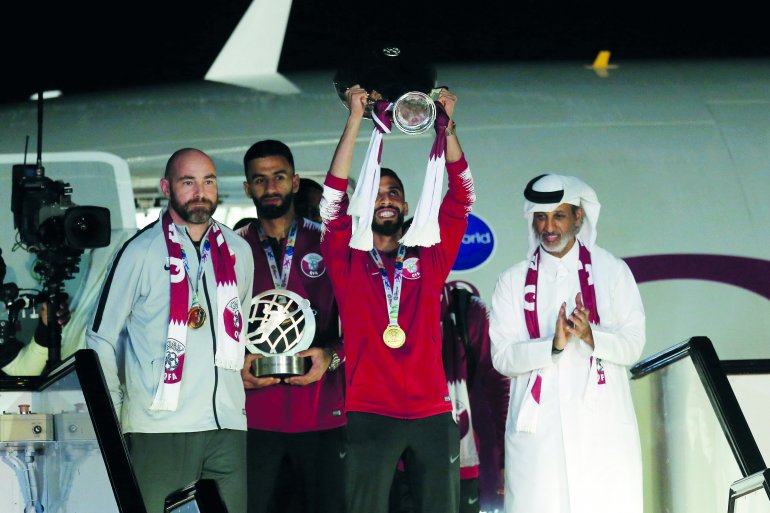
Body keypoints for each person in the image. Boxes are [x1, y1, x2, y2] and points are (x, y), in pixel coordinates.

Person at [320, 85, 475, 513]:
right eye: (377, 191)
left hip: (431, 412)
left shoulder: (429, 255)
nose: (385, 198)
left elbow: (462, 198)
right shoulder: (347, 259)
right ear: (365, 201)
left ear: (406, 203)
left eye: (394, 192)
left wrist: (447, 128)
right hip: (370, 411)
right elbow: (330, 202)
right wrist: (356, 120)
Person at [86, 148, 254, 513]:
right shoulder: (140, 251)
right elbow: (99, 337)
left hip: (227, 423)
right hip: (159, 426)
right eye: (188, 181)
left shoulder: (239, 250)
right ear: (166, 187)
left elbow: (237, 329)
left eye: (208, 181)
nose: (201, 191)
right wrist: (116, 412)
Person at [489, 174, 645, 513]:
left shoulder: (612, 271)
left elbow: (633, 345)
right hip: (538, 434)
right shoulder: (512, 280)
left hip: (602, 430)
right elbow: (502, 356)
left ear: (578, 216)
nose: (549, 226)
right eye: (541, 217)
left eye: (558, 215)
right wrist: (552, 346)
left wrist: (592, 336)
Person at [239, 139, 345, 513]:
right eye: (260, 179)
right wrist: (234, 364)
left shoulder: (332, 243)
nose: (270, 188)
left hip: (322, 415)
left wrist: (331, 355)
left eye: (279, 177)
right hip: (254, 419)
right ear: (247, 187)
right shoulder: (230, 250)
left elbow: (366, 322)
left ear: (295, 182)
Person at [390, 281, 509, 513]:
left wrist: (507, 458)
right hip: (399, 466)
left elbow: (499, 388)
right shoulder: (385, 311)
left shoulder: (468, 311)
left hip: (458, 461)